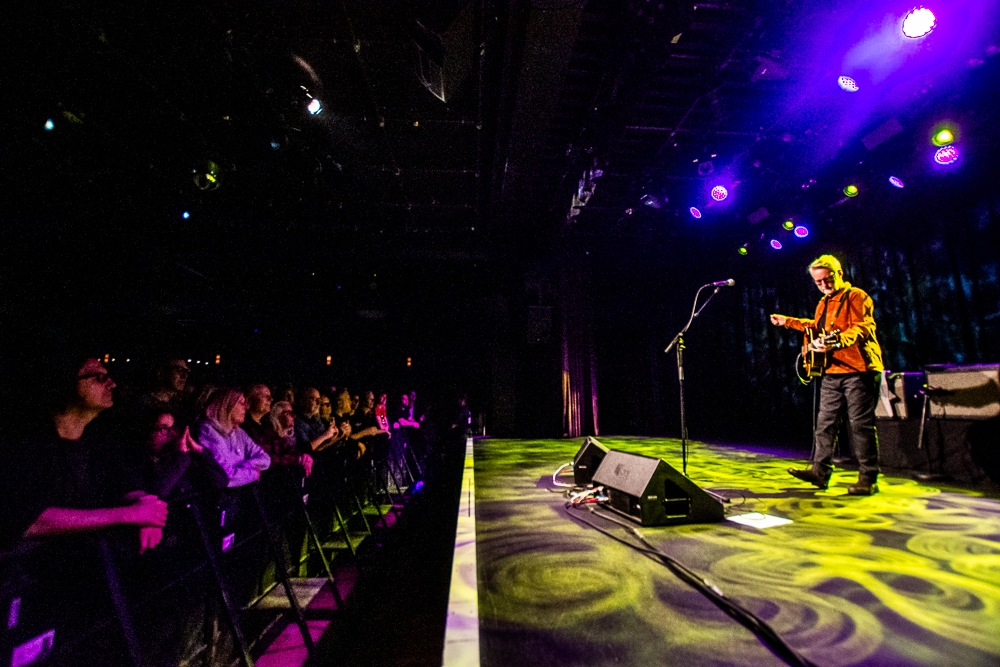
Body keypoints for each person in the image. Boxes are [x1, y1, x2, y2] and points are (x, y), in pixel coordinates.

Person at [1, 356, 168, 554]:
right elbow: (27, 519)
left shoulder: (98, 441)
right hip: (24, 571)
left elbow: (123, 481)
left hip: (76, 563)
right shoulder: (26, 442)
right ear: (67, 382)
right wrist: (129, 514)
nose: (112, 383)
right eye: (98, 377)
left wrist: (146, 509)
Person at [771, 254, 885, 495]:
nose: (823, 285)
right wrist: (787, 321)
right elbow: (817, 327)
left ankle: (869, 478)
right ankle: (819, 473)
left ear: (839, 274)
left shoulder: (856, 296)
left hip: (859, 370)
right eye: (818, 282)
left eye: (826, 280)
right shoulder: (824, 303)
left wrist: (838, 342)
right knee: (825, 424)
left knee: (861, 426)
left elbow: (863, 327)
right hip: (832, 371)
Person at [195, 388, 271, 487]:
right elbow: (225, 475)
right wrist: (253, 473)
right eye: (241, 403)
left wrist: (243, 467)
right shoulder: (208, 431)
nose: (246, 407)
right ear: (226, 405)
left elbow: (265, 458)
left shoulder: (239, 433)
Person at [294, 387, 339, 453]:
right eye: (313, 399)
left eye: (319, 399)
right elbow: (306, 450)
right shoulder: (297, 422)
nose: (318, 403)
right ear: (302, 401)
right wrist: (326, 435)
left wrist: (336, 436)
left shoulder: (315, 420)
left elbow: (320, 447)